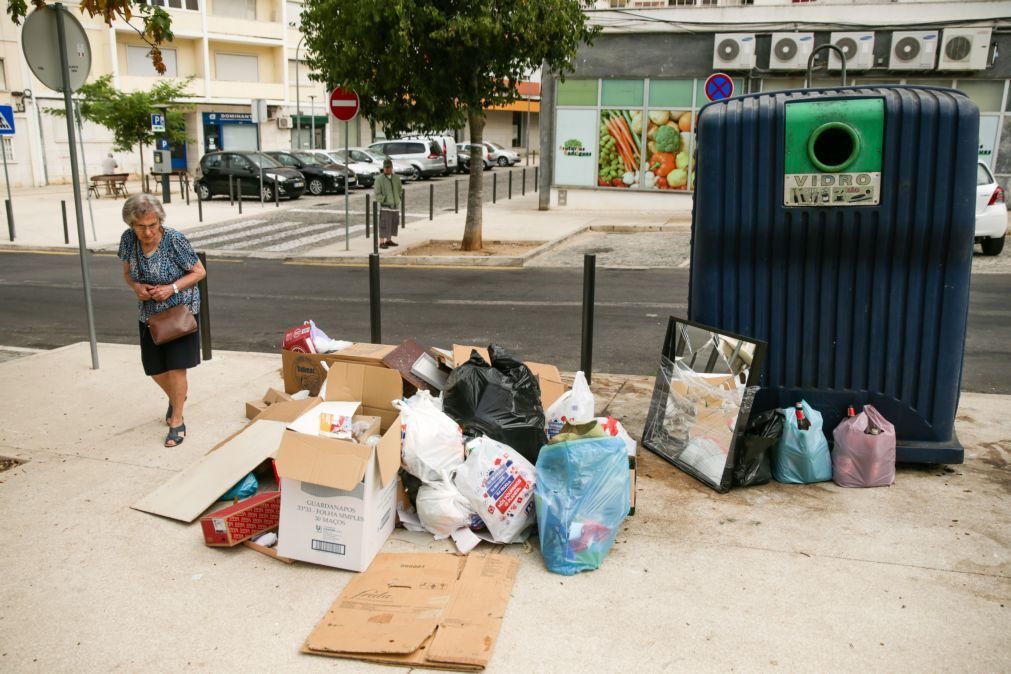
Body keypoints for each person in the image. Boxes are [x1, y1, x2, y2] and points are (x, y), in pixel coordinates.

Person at [117, 194, 206, 448]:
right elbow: (126, 273)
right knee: (154, 368)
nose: (147, 232)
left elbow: (199, 272)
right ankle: (178, 397)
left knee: (177, 367)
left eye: (152, 225)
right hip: (149, 315)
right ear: (131, 225)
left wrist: (172, 288)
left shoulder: (174, 240)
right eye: (141, 226)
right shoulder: (128, 241)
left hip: (180, 312)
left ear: (160, 221)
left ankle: (177, 420)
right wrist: (136, 287)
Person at [373, 158, 402, 249]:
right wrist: (384, 199)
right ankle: (381, 242)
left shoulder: (396, 178)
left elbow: (400, 190)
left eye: (389, 167)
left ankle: (388, 240)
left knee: (393, 223)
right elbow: (377, 193)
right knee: (384, 224)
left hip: (395, 206)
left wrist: (398, 199)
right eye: (386, 167)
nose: (387, 169)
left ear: (392, 167)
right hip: (385, 206)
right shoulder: (379, 179)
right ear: (383, 168)